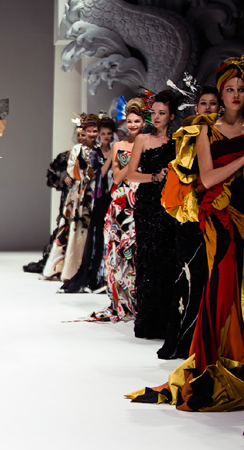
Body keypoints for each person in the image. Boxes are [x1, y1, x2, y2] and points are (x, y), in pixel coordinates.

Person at [128, 56, 244, 411]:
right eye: (229, 89)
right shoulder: (205, 131)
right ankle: (221, 360)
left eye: (241, 89)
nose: (236, 95)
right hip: (221, 219)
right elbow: (206, 178)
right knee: (222, 288)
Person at [157, 85, 221, 359]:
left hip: (218, 210)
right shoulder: (187, 134)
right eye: (203, 103)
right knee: (188, 275)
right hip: (189, 212)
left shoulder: (225, 134)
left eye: (212, 104)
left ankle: (206, 341)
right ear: (196, 108)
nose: (208, 108)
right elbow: (184, 170)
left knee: (213, 276)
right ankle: (183, 340)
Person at [126, 89, 179, 339]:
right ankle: (148, 322)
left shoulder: (178, 141)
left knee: (168, 260)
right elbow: (131, 174)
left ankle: (168, 322)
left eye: (162, 113)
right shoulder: (142, 140)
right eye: (154, 113)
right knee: (148, 260)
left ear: (171, 116)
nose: (156, 117)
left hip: (170, 205)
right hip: (147, 205)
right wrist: (155, 177)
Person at [88, 98, 146, 321]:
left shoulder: (149, 143)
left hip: (142, 199)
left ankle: (140, 301)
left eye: (137, 121)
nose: (133, 125)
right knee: (118, 252)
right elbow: (117, 176)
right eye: (129, 121)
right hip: (122, 201)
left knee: (138, 251)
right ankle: (121, 301)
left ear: (144, 122)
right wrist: (134, 163)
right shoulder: (118, 146)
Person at [61, 116, 115, 293]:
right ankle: (96, 275)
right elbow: (98, 173)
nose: (105, 137)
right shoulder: (93, 153)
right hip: (96, 196)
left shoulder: (115, 149)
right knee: (96, 235)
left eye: (108, 133)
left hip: (113, 195)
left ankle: (109, 275)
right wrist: (111, 156)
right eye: (102, 134)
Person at [43, 115, 97, 281]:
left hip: (94, 192)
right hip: (78, 194)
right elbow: (68, 172)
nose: (87, 135)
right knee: (73, 229)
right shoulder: (75, 151)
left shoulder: (100, 149)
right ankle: (69, 268)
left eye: (93, 131)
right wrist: (68, 178)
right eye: (83, 133)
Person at [23, 125, 84, 274]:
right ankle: (63, 267)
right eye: (79, 135)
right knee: (67, 229)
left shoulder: (95, 154)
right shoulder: (66, 156)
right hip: (70, 199)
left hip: (88, 197)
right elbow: (51, 177)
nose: (82, 138)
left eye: (85, 134)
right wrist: (64, 177)